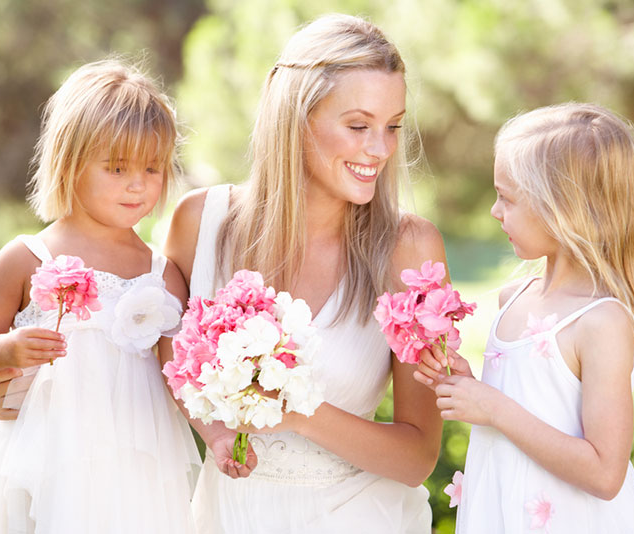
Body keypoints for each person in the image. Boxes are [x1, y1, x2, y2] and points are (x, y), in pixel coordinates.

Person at [163, 13, 445, 533]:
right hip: (225, 517)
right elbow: (158, 346)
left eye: (393, 126)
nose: (380, 149)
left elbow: (417, 458)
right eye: (358, 126)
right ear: (295, 118)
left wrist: (296, 410)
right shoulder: (200, 222)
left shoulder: (408, 249)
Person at [0, 59, 216, 534]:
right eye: (117, 168)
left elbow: (178, 376)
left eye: (152, 168)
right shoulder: (27, 257)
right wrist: (6, 350)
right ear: (71, 162)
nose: (138, 184)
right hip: (52, 460)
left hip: (138, 469)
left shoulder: (163, 274)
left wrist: (219, 436)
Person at [416, 103, 634, 533]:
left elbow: (606, 474)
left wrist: (493, 408)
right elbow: (528, 402)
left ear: (563, 207)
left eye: (508, 198)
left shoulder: (601, 321)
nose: (496, 211)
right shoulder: (514, 299)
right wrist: (470, 387)